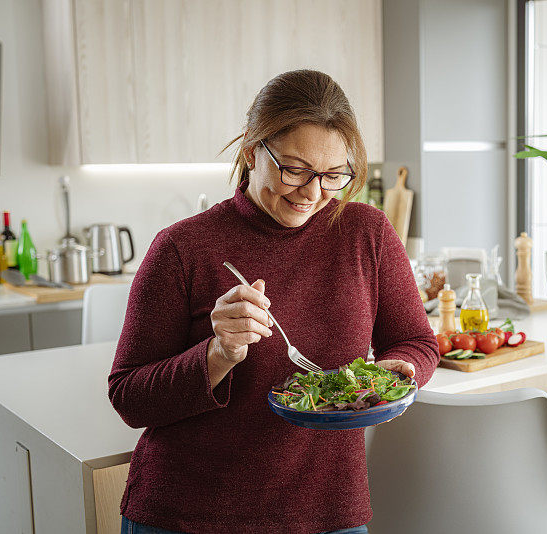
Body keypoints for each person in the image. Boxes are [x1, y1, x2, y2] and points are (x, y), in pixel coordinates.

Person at [108, 69, 439, 534]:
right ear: (251, 151)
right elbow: (129, 398)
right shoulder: (183, 247)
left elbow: (416, 342)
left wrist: (394, 372)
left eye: (333, 175)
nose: (312, 193)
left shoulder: (368, 234)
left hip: (327, 511)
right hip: (191, 515)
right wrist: (216, 354)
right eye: (295, 170)